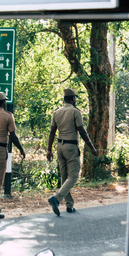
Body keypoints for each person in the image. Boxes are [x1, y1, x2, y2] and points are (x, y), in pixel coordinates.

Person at [46, 88, 98, 216]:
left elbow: (52, 132)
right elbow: (82, 131)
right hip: (71, 147)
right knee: (73, 176)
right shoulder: (75, 112)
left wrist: (49, 150)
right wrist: (92, 147)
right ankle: (56, 198)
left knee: (65, 177)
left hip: (59, 146)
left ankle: (69, 206)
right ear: (73, 99)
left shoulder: (56, 112)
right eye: (75, 98)